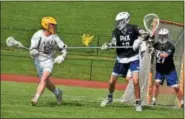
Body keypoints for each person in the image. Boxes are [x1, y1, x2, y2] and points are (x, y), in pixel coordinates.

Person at [100, 11, 149, 111]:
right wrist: (108, 46)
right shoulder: (116, 31)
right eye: (117, 22)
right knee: (111, 82)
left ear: (126, 20)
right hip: (121, 58)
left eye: (120, 21)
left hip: (133, 58)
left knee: (135, 81)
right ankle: (109, 97)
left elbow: (146, 34)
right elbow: (114, 43)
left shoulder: (134, 28)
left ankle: (138, 103)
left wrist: (139, 41)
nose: (118, 24)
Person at [29, 16, 67, 106]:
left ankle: (35, 98)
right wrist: (33, 52)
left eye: (54, 25)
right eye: (51, 25)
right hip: (38, 61)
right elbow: (32, 50)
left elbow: (64, 49)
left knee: (44, 78)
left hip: (49, 60)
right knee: (46, 82)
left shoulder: (55, 37)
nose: (54, 27)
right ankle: (58, 92)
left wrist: (62, 56)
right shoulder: (37, 35)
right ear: (45, 25)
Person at [151, 28, 184, 108]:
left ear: (167, 36)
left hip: (170, 70)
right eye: (161, 36)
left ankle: (182, 103)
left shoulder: (170, 46)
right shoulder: (156, 45)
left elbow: (165, 55)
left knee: (176, 87)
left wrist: (155, 51)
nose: (162, 37)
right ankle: (153, 101)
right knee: (157, 83)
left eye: (164, 36)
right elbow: (150, 46)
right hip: (160, 70)